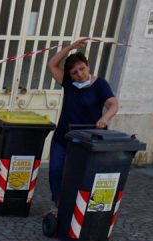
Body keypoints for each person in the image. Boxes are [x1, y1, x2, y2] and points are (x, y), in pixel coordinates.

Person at [44, 39, 118, 210]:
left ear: (88, 66)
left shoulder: (100, 85)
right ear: (70, 75)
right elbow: (52, 64)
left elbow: (113, 104)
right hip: (64, 136)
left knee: (81, 174)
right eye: (75, 72)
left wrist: (104, 119)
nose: (80, 74)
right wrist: (70, 47)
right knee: (56, 169)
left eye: (82, 69)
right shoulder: (69, 84)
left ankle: (79, 208)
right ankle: (59, 205)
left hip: (88, 140)